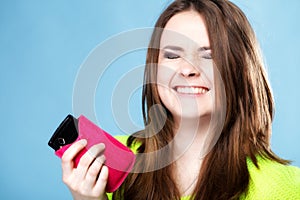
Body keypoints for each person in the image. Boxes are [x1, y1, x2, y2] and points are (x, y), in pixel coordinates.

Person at [60, 0, 300, 199]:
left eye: (209, 56)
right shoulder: (109, 161)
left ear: (240, 71)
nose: (187, 69)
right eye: (173, 55)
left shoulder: (283, 186)